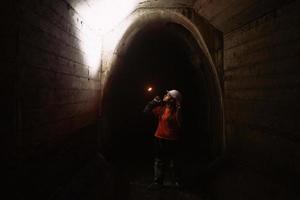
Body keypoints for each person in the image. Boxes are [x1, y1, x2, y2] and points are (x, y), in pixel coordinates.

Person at [143, 90, 183, 190]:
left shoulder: (177, 111)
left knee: (173, 162)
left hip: (172, 140)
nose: (165, 95)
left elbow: (180, 123)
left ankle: (176, 181)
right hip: (159, 138)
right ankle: (158, 182)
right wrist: (153, 102)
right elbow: (146, 111)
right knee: (159, 161)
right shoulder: (162, 108)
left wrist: (178, 108)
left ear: (173, 99)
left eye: (168, 95)